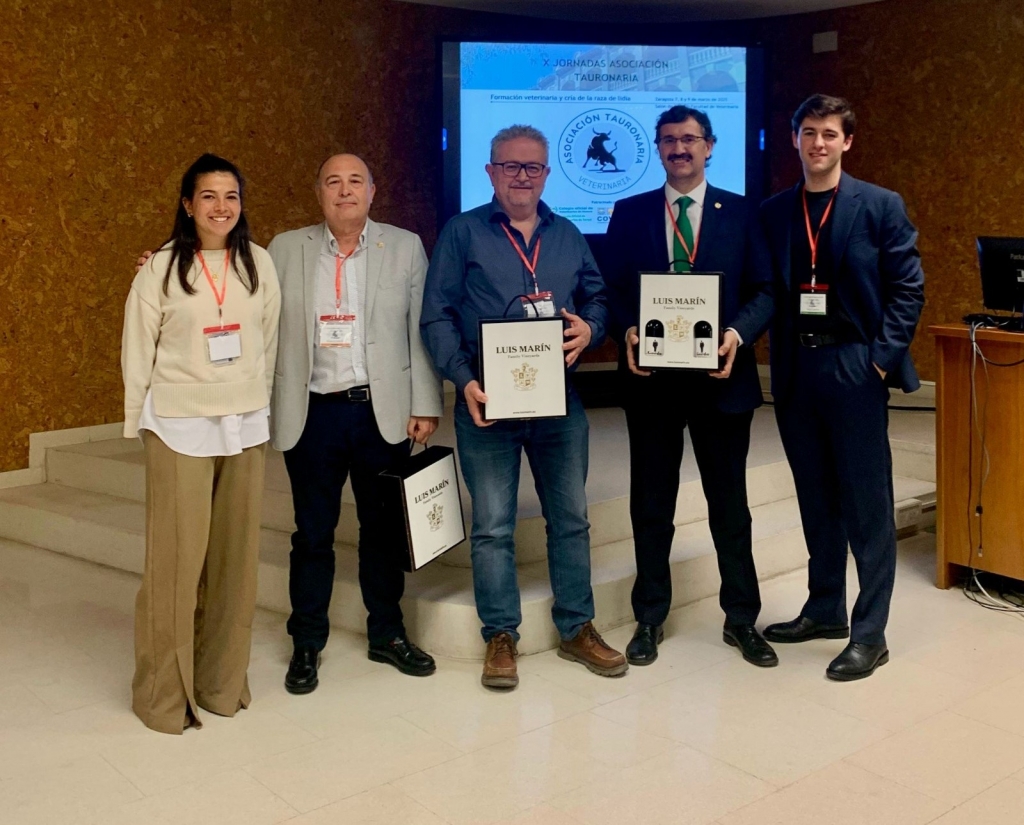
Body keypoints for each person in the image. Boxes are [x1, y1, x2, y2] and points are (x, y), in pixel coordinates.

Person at [421, 124, 627, 689]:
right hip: (486, 403)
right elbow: (436, 314)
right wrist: (461, 380)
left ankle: (577, 626)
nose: (521, 177)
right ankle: (500, 636)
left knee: (572, 519)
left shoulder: (567, 234)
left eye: (532, 167)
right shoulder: (462, 232)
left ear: (546, 173)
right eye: (510, 166)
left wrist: (592, 327)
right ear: (489, 172)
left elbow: (597, 297)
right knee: (492, 526)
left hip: (559, 404)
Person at [603, 106, 776, 668]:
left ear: (710, 146)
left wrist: (736, 335)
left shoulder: (745, 213)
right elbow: (611, 292)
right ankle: (650, 616)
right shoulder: (628, 213)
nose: (679, 148)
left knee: (730, 505)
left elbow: (766, 291)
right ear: (657, 148)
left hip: (722, 381)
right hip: (651, 383)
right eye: (669, 140)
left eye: (690, 139)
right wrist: (629, 330)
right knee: (651, 504)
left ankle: (742, 618)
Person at [759, 94, 924, 681]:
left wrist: (879, 362)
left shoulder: (879, 205)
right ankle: (824, 606)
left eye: (830, 133)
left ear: (847, 142)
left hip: (855, 366)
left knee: (866, 504)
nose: (818, 143)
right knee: (815, 496)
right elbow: (767, 291)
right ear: (795, 139)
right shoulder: (777, 210)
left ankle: (869, 633)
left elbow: (909, 289)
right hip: (797, 373)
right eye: (808, 132)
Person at [269, 154, 443, 694]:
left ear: (372, 191)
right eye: (332, 182)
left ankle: (386, 633)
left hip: (381, 413)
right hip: (312, 413)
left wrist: (426, 402)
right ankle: (306, 642)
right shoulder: (284, 249)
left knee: (382, 531)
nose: (344, 191)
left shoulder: (405, 245)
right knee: (313, 534)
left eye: (355, 182)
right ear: (318, 192)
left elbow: (422, 329)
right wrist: (158, 263)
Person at [121, 153, 281, 734]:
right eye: (209, 196)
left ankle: (219, 685)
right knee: (175, 567)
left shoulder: (259, 264)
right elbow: (137, 348)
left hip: (243, 424)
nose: (221, 207)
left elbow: (267, 344)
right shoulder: (160, 268)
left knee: (235, 565)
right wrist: (136, 419)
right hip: (179, 427)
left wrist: (259, 406)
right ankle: (165, 697)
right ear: (188, 204)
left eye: (231, 196)